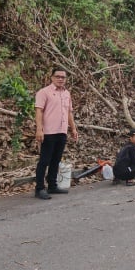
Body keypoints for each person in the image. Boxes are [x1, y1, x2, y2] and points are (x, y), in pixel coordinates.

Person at [34, 67, 78, 199]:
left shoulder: (66, 94)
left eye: (63, 77)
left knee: (56, 160)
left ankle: (52, 185)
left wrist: (73, 129)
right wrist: (39, 129)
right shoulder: (44, 92)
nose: (60, 79)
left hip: (62, 131)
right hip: (48, 132)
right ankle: (39, 188)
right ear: (52, 77)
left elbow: (69, 112)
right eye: (58, 76)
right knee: (44, 161)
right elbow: (39, 111)